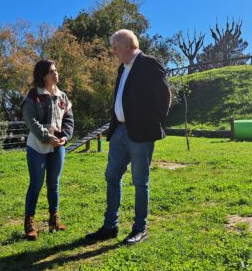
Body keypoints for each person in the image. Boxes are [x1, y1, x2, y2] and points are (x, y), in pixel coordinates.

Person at [86, 29, 171, 245]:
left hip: (141, 133)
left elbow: (164, 96)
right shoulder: (122, 68)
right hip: (119, 132)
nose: (113, 51)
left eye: (114, 46)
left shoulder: (149, 64)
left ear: (125, 45)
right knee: (112, 176)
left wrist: (153, 123)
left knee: (140, 181)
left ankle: (140, 229)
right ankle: (110, 226)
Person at [21, 60, 74, 241]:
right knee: (36, 183)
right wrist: (46, 137)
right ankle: (30, 224)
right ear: (43, 75)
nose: (56, 74)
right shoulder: (34, 95)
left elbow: (68, 119)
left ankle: (54, 220)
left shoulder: (62, 96)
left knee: (54, 183)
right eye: (52, 71)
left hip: (58, 146)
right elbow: (31, 120)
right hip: (37, 146)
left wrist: (65, 136)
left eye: (56, 70)